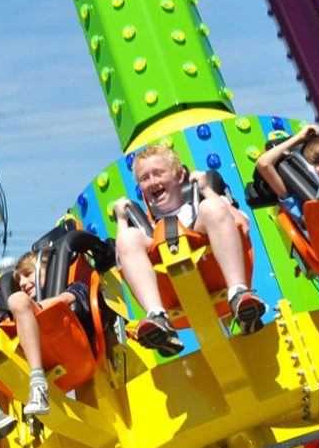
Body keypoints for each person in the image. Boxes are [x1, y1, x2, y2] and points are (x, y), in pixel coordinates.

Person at [112, 144, 265, 357]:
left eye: (158, 173)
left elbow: (243, 225)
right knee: (128, 237)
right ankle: (158, 317)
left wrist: (207, 191)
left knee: (211, 208)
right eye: (145, 179)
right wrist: (121, 220)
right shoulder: (148, 230)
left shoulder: (200, 207)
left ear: (179, 175)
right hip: (174, 299)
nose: (153, 182)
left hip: (217, 279)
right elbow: (123, 260)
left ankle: (238, 293)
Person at [0, 250, 96, 448]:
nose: (23, 283)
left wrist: (25, 307)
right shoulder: (22, 312)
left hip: (73, 356)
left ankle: (38, 383)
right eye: (19, 279)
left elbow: (62, 300)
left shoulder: (75, 287)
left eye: (28, 274)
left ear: (49, 270)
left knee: (17, 300)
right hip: (31, 355)